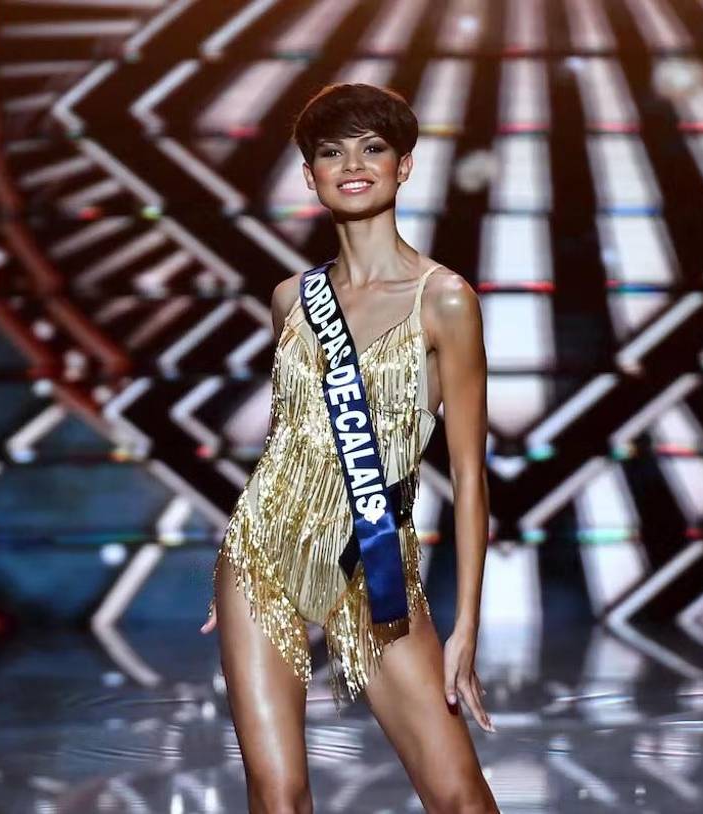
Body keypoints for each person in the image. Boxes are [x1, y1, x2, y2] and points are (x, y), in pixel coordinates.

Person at [199, 83, 499, 813]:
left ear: (404, 166)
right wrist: (234, 560)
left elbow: (467, 472)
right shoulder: (289, 300)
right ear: (310, 175)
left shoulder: (445, 298)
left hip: (373, 563)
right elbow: (289, 438)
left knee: (458, 795)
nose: (352, 164)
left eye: (373, 148)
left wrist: (467, 629)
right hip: (264, 552)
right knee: (276, 794)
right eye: (331, 152)